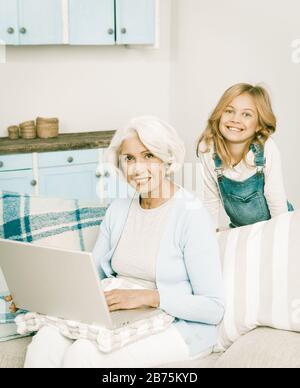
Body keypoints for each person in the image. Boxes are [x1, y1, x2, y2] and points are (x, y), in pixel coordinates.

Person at [24, 116, 224, 368]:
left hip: (176, 325)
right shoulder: (118, 210)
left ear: (167, 159)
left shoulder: (191, 215)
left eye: (148, 155)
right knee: (46, 341)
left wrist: (146, 297)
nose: (137, 169)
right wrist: (37, 290)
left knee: (83, 355)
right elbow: (91, 276)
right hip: (121, 315)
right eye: (129, 159)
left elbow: (213, 308)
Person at [197, 83, 294, 229]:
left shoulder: (266, 148)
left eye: (246, 114)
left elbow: (276, 202)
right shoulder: (207, 149)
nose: (235, 119)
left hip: (277, 223)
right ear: (219, 115)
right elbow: (210, 202)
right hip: (240, 228)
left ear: (259, 125)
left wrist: (279, 240)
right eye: (229, 111)